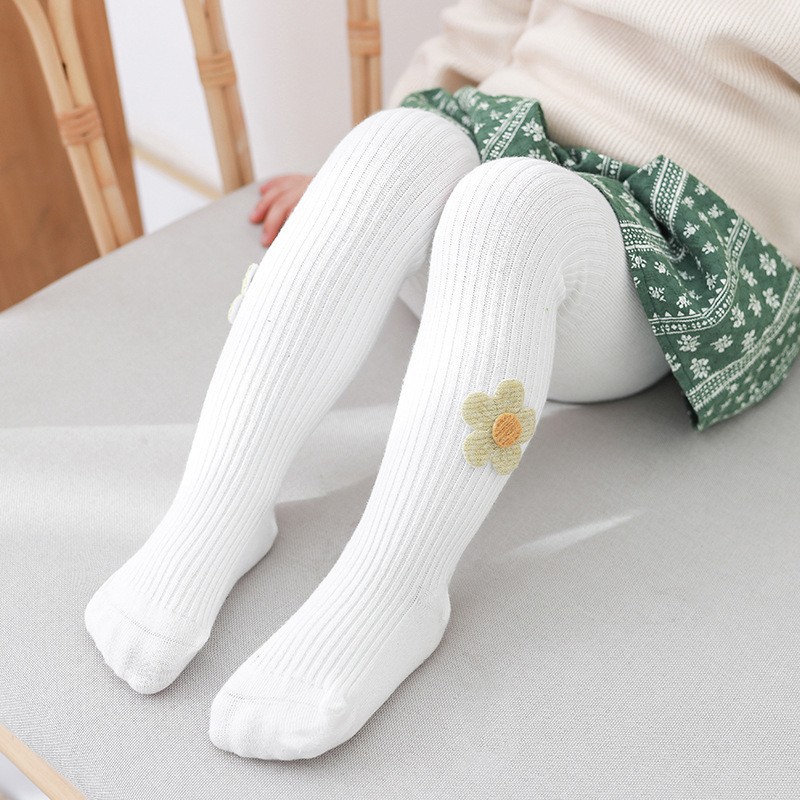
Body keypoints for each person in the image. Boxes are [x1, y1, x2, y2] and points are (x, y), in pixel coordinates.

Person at [84, 0, 800, 760]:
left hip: (679, 244)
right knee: (392, 145)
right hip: (508, 134)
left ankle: (394, 589)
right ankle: (216, 511)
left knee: (510, 212)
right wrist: (355, 191)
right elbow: (489, 21)